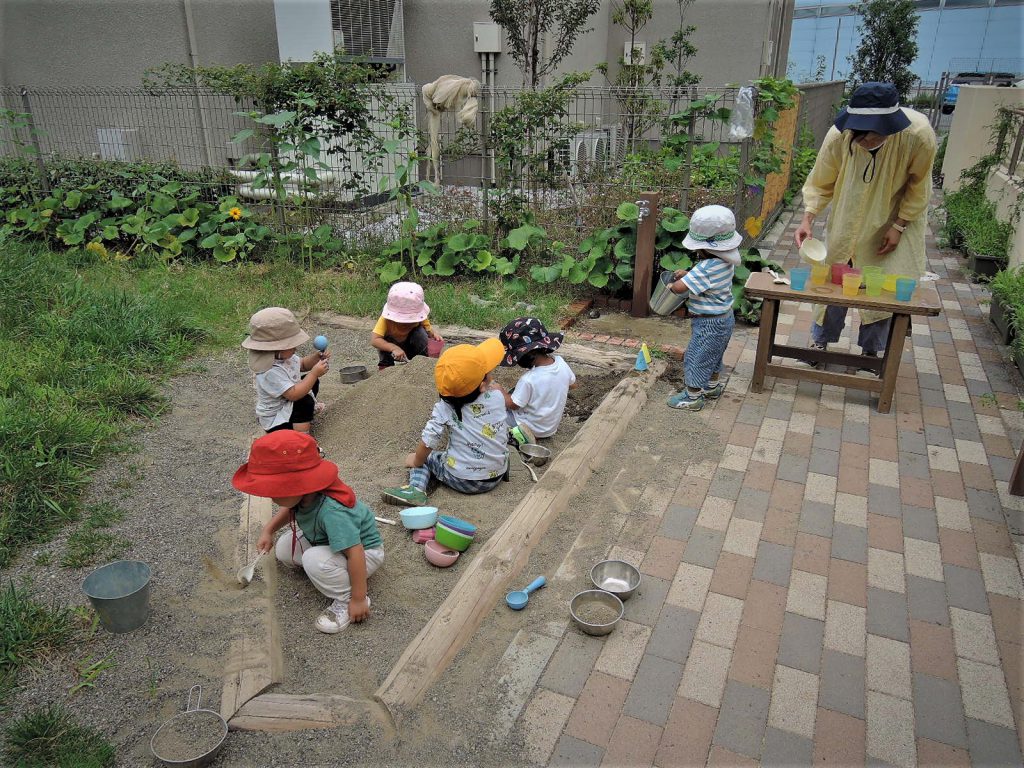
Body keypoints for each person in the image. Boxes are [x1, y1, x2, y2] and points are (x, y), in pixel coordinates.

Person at [795, 81, 937, 372]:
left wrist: (899, 225)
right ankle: (819, 342)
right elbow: (822, 180)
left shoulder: (918, 135)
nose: (863, 140)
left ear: (889, 124)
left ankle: (871, 352)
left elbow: (919, 187)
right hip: (848, 217)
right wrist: (808, 217)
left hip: (892, 218)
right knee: (836, 277)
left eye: (870, 134)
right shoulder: (839, 135)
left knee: (882, 284)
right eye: (858, 134)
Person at [233, 431, 384, 634]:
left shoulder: (333, 511)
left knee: (313, 559)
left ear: (296, 485)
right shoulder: (306, 493)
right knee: (284, 549)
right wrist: (269, 530)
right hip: (330, 541)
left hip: (365, 553)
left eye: (274, 492)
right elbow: (290, 509)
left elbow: (355, 551)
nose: (270, 497)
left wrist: (358, 598)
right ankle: (328, 572)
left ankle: (345, 597)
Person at [382, 338, 509, 507]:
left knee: (424, 458)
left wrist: (415, 461)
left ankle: (416, 490)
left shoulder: (445, 408)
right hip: (497, 474)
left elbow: (428, 442)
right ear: (483, 385)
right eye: (488, 372)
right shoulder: (497, 396)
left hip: (462, 480)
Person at [665, 204, 741, 412]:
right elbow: (703, 278)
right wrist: (689, 273)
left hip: (708, 322)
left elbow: (681, 288)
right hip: (725, 318)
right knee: (714, 355)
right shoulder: (725, 262)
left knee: (696, 357)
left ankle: (692, 396)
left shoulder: (705, 268)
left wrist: (673, 285)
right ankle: (711, 387)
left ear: (702, 248)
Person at [242, 307, 330, 433]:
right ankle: (301, 438)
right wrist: (315, 373)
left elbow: (303, 365)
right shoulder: (269, 371)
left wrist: (316, 357)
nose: (295, 347)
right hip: (278, 420)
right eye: (291, 345)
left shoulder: (283, 356)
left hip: (289, 405)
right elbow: (294, 395)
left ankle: (304, 415)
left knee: (311, 382)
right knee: (304, 400)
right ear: (276, 348)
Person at [494, 317, 578, 440]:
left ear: (528, 354)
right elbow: (573, 385)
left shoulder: (528, 379)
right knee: (517, 392)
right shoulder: (561, 363)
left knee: (495, 410)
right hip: (549, 428)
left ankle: (519, 436)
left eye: (517, 357)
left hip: (528, 427)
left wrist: (499, 389)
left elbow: (513, 405)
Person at [371, 281, 443, 370]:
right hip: (391, 346)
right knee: (382, 341)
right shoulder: (385, 320)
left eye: (411, 321)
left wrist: (433, 334)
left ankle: (422, 362)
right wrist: (394, 348)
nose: (407, 325)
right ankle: (386, 368)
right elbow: (374, 340)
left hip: (411, 345)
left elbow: (428, 328)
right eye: (402, 322)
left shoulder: (420, 316)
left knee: (420, 332)